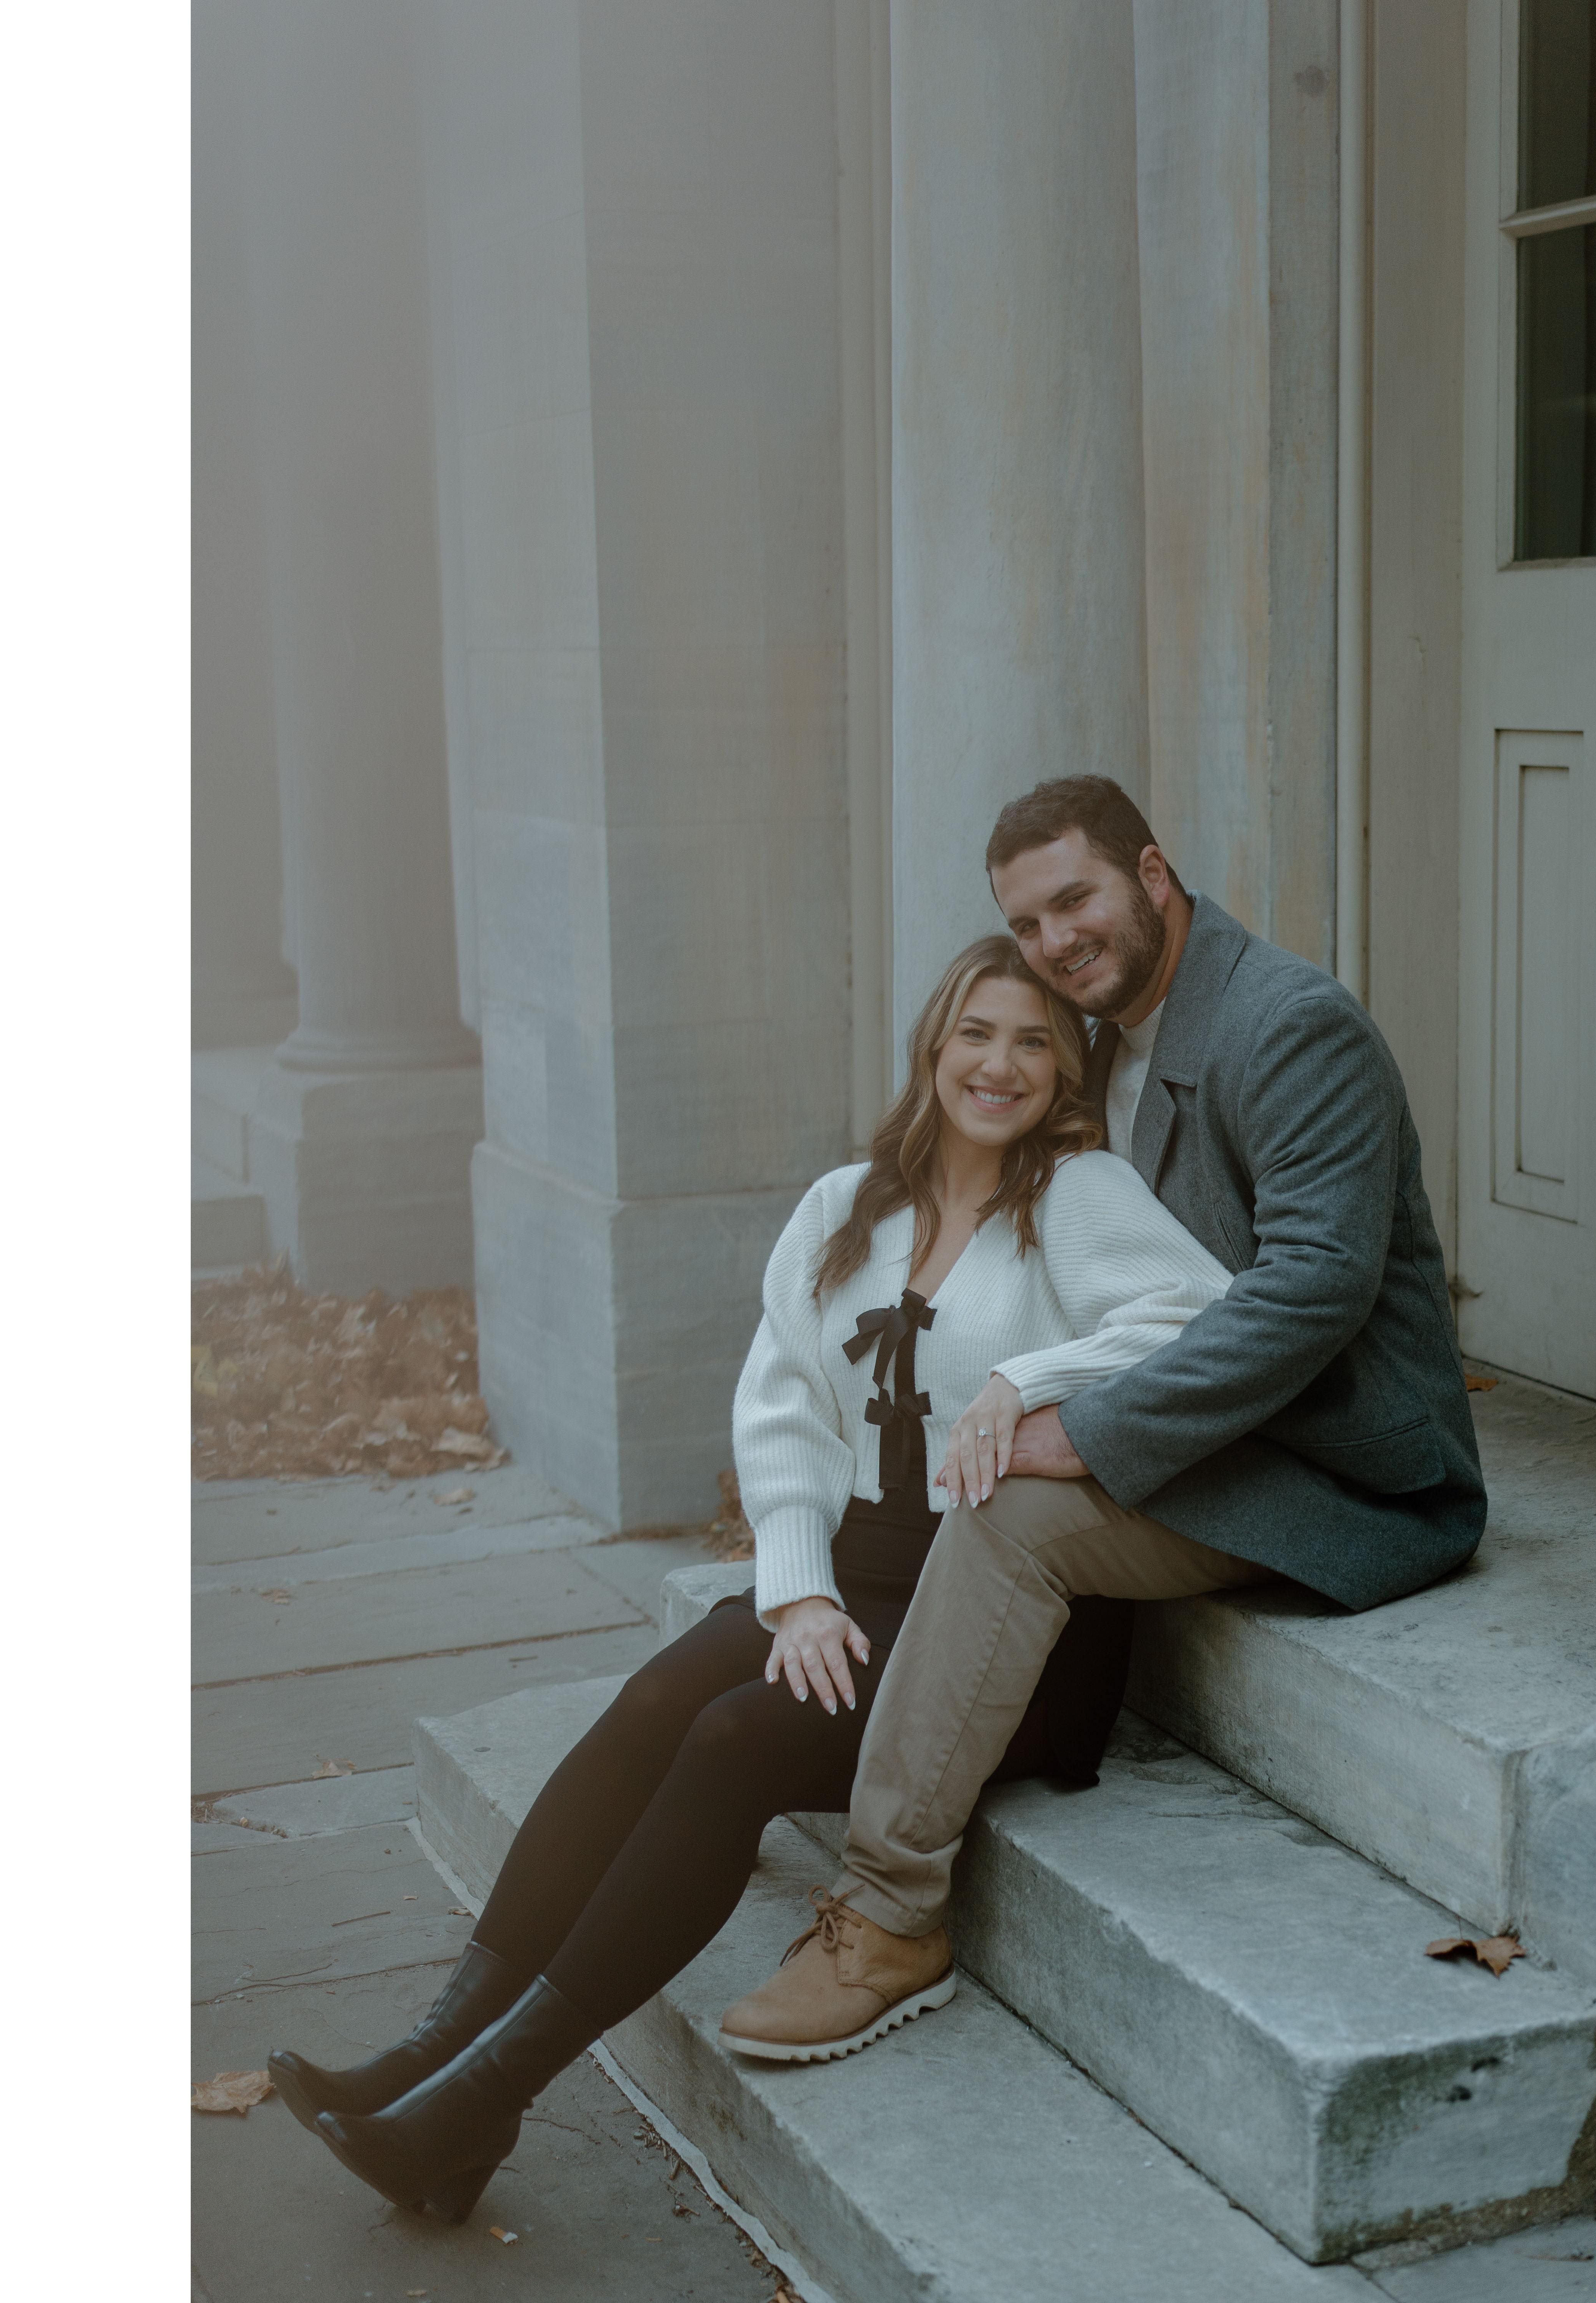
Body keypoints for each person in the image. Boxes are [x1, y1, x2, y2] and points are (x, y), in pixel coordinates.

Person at [268, 934, 1244, 2222]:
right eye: (976, 1034)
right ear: (933, 1046)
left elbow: (1203, 1314)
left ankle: (483, 2101)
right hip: (856, 1579)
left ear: (1066, 1070)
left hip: (1002, 1619)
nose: (999, 1065)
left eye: (1033, 1042)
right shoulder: (845, 1208)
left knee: (732, 1741)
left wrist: (1028, 1380)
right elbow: (781, 1408)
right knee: (653, 1703)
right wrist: (798, 1592)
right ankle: (433, 2051)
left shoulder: (1079, 1194)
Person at [722, 775, 1484, 2051]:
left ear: (1152, 873)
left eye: (1075, 900)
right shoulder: (1101, 1035)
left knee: (1010, 1510)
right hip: (1209, 1432)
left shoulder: (1291, 1027)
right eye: (1025, 923)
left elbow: (1314, 1290)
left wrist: (1078, 1425)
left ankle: (892, 1909)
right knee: (977, 1491)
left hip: (1334, 1462)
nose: (1055, 942)